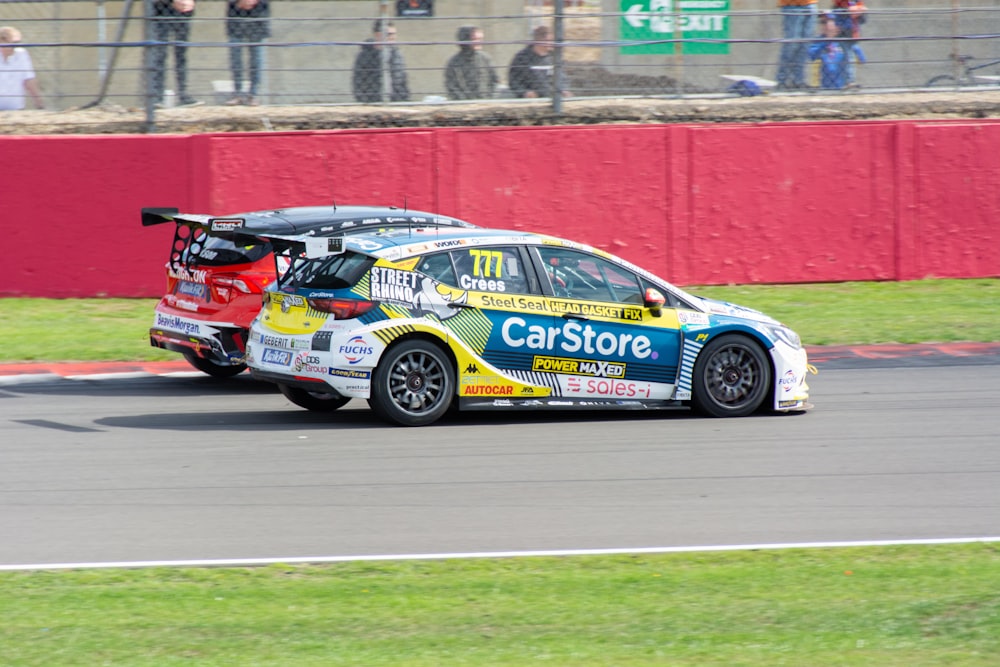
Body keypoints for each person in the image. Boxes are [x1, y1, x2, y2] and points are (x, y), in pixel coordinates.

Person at [150, 0, 201, 107]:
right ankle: (157, 97)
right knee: (160, 55)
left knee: (181, 55)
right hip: (160, 13)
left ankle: (183, 95)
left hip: (183, 14)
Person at [351, 20, 410, 103]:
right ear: (377, 35)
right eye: (389, 34)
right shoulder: (365, 55)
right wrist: (365, 101)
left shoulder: (396, 54)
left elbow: (402, 79)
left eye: (394, 34)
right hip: (373, 101)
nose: (393, 37)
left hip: (397, 101)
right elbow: (358, 81)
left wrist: (404, 99)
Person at [225, 0, 270, 106]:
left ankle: (253, 95)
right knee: (236, 58)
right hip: (236, 17)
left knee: (256, 59)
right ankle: (237, 94)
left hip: (258, 18)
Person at [508, 24, 570, 99]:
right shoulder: (522, 58)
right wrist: (524, 93)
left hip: (553, 99)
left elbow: (562, 77)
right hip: (532, 102)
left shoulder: (554, 57)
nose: (553, 44)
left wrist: (564, 89)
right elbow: (513, 80)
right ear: (540, 41)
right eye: (550, 41)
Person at [809, 16, 865, 89]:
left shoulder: (845, 42)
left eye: (830, 22)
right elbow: (812, 56)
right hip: (823, 86)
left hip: (843, 86)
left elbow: (862, 59)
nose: (827, 26)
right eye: (823, 22)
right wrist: (827, 41)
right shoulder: (818, 41)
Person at [444, 26, 498, 100]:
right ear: (465, 40)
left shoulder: (485, 59)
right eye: (475, 39)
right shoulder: (454, 62)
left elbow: (494, 80)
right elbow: (452, 86)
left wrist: (489, 98)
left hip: (485, 102)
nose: (479, 42)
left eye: (480, 39)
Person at [775, 0, 819, 90]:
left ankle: (799, 80)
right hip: (792, 5)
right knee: (791, 44)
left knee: (805, 45)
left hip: (810, 4)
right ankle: (783, 80)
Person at [0, 26, 44, 110]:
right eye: (13, 43)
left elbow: (29, 80)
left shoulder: (21, 54)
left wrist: (39, 104)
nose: (16, 46)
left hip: (16, 109)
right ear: (2, 41)